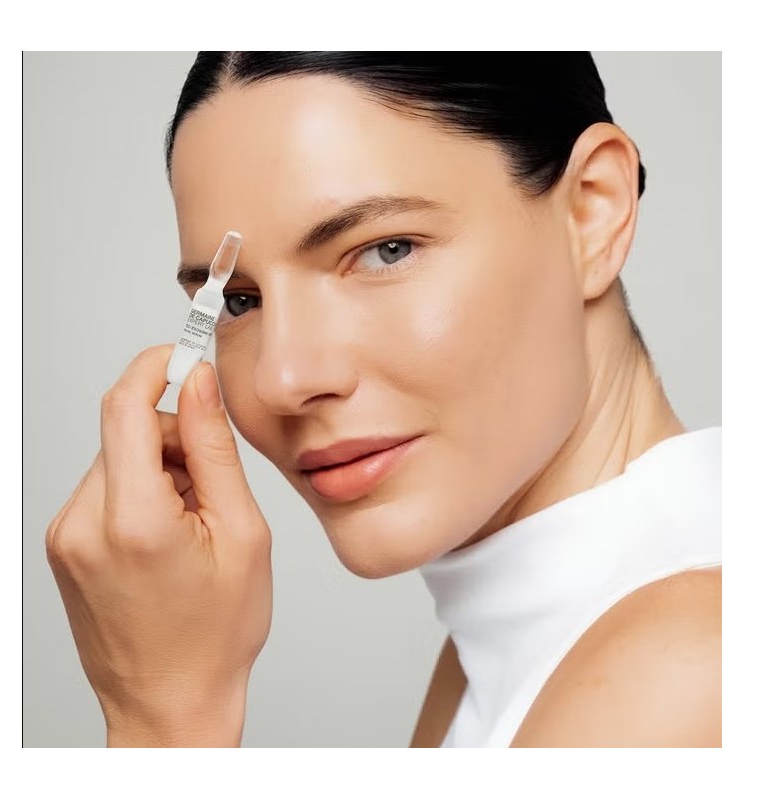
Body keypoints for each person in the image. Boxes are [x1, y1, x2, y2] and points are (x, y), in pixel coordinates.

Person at [45, 52, 721, 747]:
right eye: (239, 302)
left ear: (592, 211)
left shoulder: (687, 672)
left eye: (386, 250)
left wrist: (166, 716)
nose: (282, 379)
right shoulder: (536, 628)